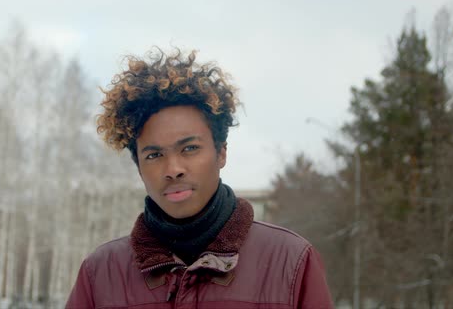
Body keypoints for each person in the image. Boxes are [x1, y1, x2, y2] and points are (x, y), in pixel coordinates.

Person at [66, 48, 333, 309]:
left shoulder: (291, 262)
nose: (173, 169)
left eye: (190, 148)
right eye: (154, 154)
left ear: (221, 153)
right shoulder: (99, 274)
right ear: (138, 167)